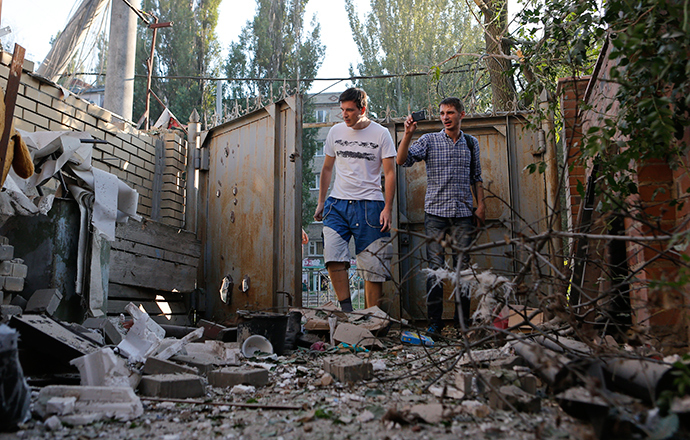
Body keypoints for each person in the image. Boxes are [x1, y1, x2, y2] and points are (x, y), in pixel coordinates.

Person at [396, 97, 485, 334]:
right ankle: (435, 324)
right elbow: (401, 160)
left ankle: (461, 324)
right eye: (443, 113)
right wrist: (407, 134)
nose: (445, 117)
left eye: (451, 113)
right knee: (435, 270)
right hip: (436, 214)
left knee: (462, 270)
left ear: (461, 115)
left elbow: (476, 176)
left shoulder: (470, 142)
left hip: (464, 213)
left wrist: (481, 205)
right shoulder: (429, 140)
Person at [313, 87, 396, 312]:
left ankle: (372, 319)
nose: (345, 114)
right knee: (333, 256)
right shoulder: (335, 132)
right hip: (337, 204)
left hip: (370, 206)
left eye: (350, 110)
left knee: (373, 266)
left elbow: (389, 173)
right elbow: (327, 168)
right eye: (342, 110)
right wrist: (322, 201)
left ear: (363, 109)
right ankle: (347, 312)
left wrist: (388, 208)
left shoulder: (381, 134)